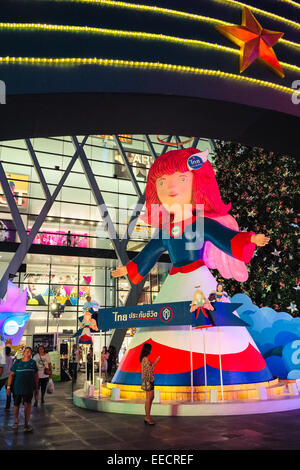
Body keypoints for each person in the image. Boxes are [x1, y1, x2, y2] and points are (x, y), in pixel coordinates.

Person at [112, 147, 271, 388]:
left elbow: (225, 237)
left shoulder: (201, 223)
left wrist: (249, 239)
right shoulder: (165, 229)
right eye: (162, 182)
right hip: (176, 281)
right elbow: (150, 253)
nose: (171, 187)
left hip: (198, 277)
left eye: (182, 178)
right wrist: (129, 269)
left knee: (209, 327)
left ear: (198, 184)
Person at [7, 346, 39, 432]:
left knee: (27, 406)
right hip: (17, 388)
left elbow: (36, 376)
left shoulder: (33, 363)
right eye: (27, 351)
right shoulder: (17, 362)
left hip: (28, 389)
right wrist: (8, 387)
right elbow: (11, 375)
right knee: (16, 405)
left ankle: (26, 424)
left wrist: (36, 388)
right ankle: (16, 422)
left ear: (31, 354)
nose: (28, 353)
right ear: (23, 353)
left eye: (30, 351)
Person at [140, 343, 160, 425]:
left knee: (151, 397)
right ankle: (147, 417)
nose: (151, 351)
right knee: (149, 398)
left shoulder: (144, 358)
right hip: (148, 380)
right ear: (147, 350)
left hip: (149, 380)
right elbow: (149, 370)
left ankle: (147, 416)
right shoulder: (145, 359)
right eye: (150, 349)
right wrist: (155, 362)